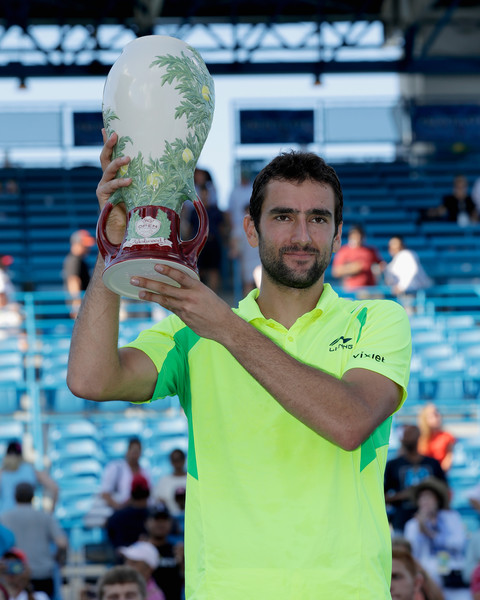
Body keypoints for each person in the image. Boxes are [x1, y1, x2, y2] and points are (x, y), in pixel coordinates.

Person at [67, 137, 412, 598]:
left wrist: (228, 328)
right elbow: (90, 379)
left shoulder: (376, 318)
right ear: (251, 230)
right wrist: (114, 247)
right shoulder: (190, 332)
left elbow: (349, 422)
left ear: (336, 231)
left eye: (318, 218)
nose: (302, 235)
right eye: (283, 216)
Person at [0, 483, 67, 600]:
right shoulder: (45, 517)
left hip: (14, 575)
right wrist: (58, 560)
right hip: (43, 574)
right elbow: (62, 543)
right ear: (33, 497)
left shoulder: (4, 518)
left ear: (14, 496)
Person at [404, 478, 467, 593]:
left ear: (437, 500)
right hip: (427, 577)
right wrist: (420, 528)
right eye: (422, 498)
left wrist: (431, 534)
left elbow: (459, 543)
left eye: (429, 497)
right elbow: (412, 553)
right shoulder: (412, 525)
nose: (425, 502)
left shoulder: (451, 517)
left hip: (452, 575)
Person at [385, 425, 448, 534]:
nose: (407, 438)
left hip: (433, 523)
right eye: (405, 435)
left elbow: (444, 490)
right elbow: (382, 497)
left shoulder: (432, 463)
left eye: (411, 434)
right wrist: (403, 495)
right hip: (402, 522)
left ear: (419, 436)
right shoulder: (393, 465)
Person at [0, 442, 58, 514]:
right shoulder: (31, 470)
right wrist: (50, 513)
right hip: (27, 516)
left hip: (6, 517)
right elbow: (54, 488)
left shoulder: (3, 473)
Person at [100, 437, 152, 512]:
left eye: (137, 452)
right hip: (121, 512)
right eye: (133, 451)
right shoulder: (116, 468)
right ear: (127, 451)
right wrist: (119, 508)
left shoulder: (145, 472)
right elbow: (105, 493)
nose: (135, 455)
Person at [143, 504, 184, 600]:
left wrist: (183, 563)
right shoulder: (139, 552)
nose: (161, 523)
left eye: (164, 519)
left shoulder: (177, 550)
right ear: (146, 522)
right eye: (156, 519)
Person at [331, 223, 385, 291]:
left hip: (370, 290)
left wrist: (379, 268)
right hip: (352, 290)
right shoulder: (344, 251)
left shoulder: (371, 250)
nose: (357, 238)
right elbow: (336, 271)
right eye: (354, 236)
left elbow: (381, 264)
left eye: (359, 235)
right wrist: (353, 268)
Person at [383, 236, 432, 310]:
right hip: (403, 294)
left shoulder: (407, 254)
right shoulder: (393, 263)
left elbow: (412, 270)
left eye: (396, 244)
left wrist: (401, 286)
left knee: (411, 315)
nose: (393, 247)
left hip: (413, 292)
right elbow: (390, 280)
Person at [106, 474, 151, 550]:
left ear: (132, 493)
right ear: (148, 493)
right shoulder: (153, 515)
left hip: (123, 559)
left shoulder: (116, 516)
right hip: (146, 559)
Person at [62, 229, 95, 318]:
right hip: (80, 305)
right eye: (84, 245)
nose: (88, 248)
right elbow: (73, 281)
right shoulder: (73, 260)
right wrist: (77, 304)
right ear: (76, 244)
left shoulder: (80, 260)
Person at [417, 404, 456, 472]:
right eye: (433, 414)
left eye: (438, 412)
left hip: (438, 476)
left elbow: (448, 461)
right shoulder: (418, 437)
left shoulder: (447, 437)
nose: (438, 416)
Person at [154, 450, 187, 518]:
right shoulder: (163, 481)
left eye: (179, 459)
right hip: (170, 519)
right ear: (171, 462)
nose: (177, 463)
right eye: (174, 460)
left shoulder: (192, 479)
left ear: (184, 460)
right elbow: (158, 501)